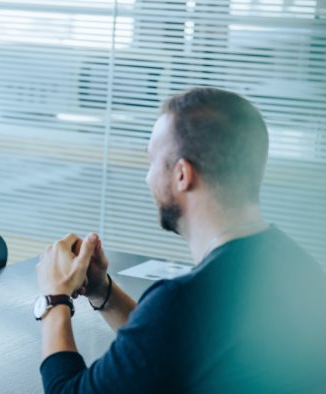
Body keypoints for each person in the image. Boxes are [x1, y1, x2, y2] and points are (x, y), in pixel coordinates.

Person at [34, 87, 326, 393]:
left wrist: (54, 299)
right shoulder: (299, 266)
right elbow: (173, 345)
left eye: (152, 162)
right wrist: (102, 290)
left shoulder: (185, 301)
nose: (147, 177)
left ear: (182, 174)